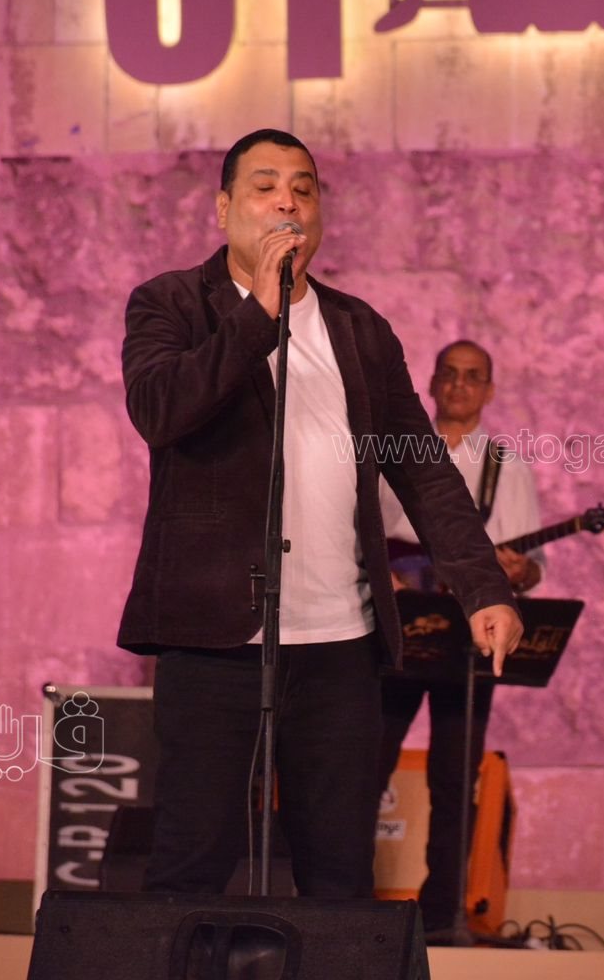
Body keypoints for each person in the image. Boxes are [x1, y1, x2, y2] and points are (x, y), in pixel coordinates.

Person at [117, 129, 523, 901]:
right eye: (266, 186)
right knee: (189, 865)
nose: (287, 202)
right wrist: (257, 314)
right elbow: (161, 410)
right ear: (223, 208)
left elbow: (421, 466)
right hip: (213, 639)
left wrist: (483, 588)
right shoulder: (172, 303)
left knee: (339, 875)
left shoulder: (358, 328)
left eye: (303, 189)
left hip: (341, 643)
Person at [375, 339, 545, 936]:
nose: (459, 386)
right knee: (366, 764)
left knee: (455, 778)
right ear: (431, 382)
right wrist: (382, 572)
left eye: (473, 377)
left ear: (489, 390)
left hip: (466, 635)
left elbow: (534, 565)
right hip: (397, 624)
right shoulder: (394, 449)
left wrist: (519, 572)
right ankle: (344, 900)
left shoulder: (505, 465)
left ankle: (440, 914)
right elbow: (362, 530)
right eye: (449, 374)